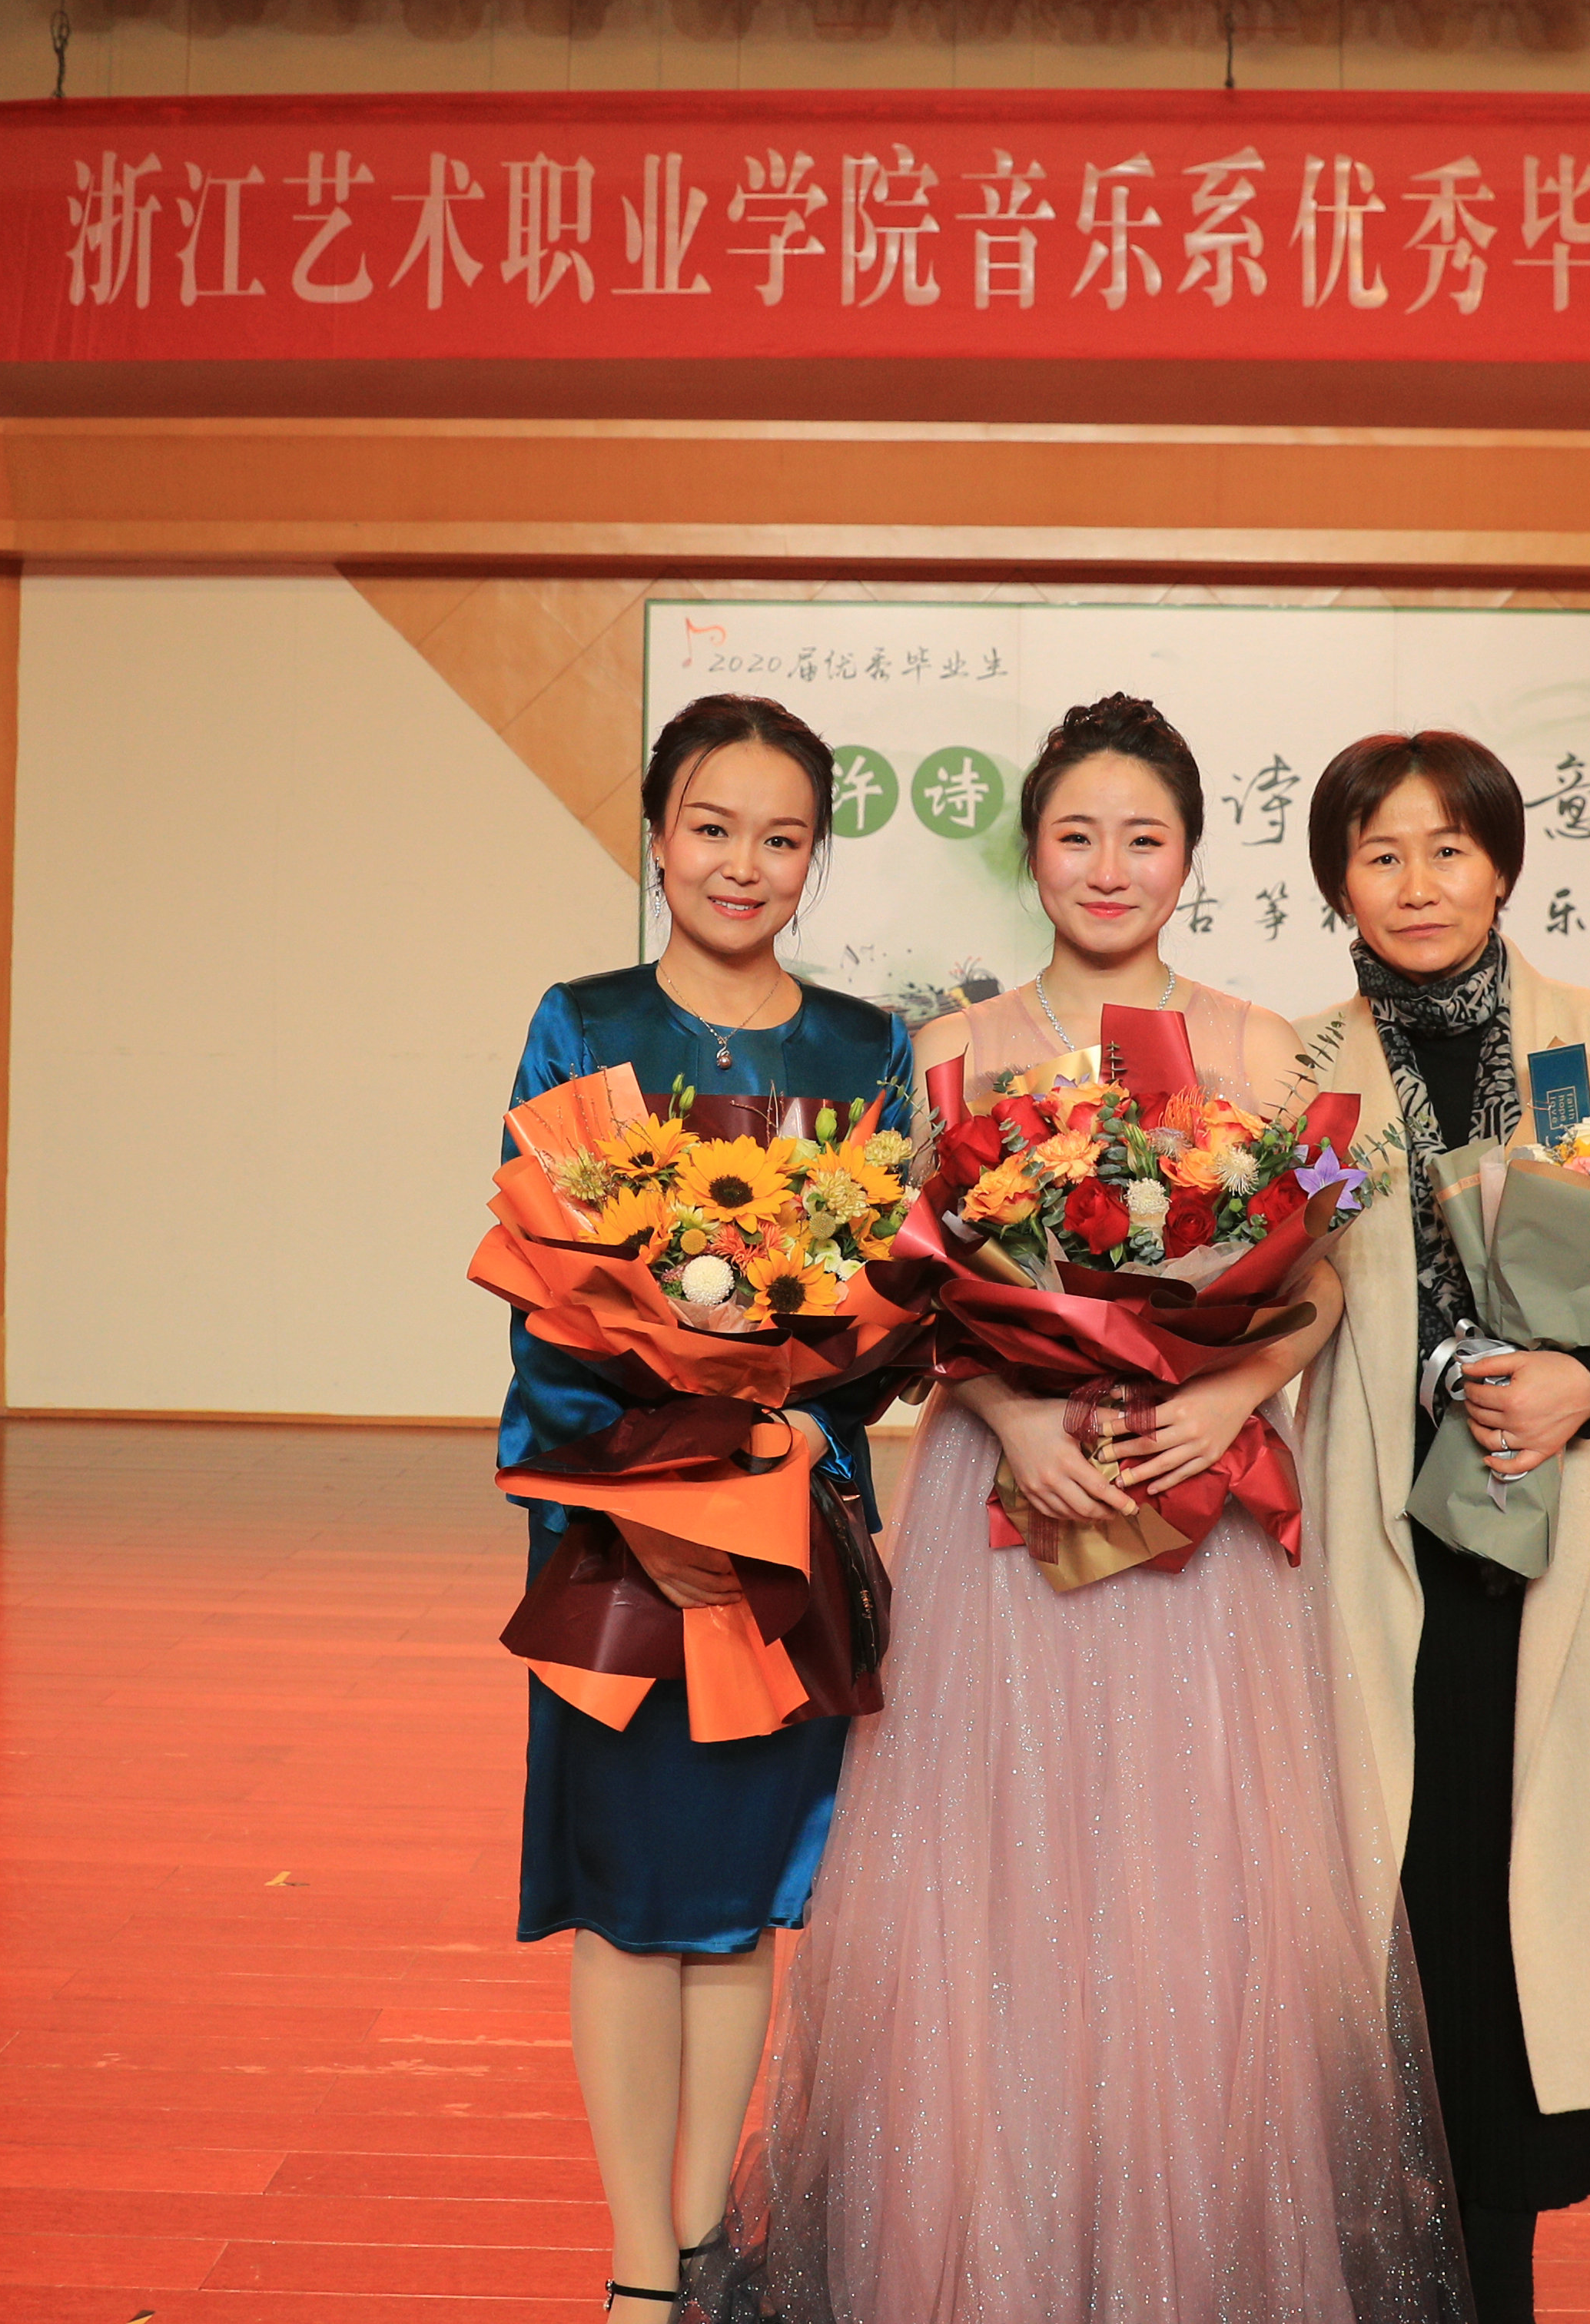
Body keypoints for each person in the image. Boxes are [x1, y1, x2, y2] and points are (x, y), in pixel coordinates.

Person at [695, 695, 1471, 2324]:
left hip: (1201, 1509)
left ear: (1191, 858)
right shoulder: (947, 1052)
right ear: (1031, 852)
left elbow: (1324, 1285)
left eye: (1145, 838)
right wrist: (1009, 1411)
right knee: (991, 1885)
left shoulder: (1263, 1049)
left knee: (1194, 1896)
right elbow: (905, 1287)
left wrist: (1234, 1395)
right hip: (1006, 1504)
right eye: (1077, 836)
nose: (1110, 868)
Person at [1288, 731, 1590, 2324]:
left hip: (1555, 1527)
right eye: (1380, 855)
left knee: (1510, 1921)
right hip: (1380, 1541)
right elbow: (1277, 1286)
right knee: (1398, 1910)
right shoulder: (1302, 1069)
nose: (1417, 885)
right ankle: (1389, 2267)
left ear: (1502, 866)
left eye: (1449, 850)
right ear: (1338, 882)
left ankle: (1494, 2281)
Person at [500, 692, 914, 2318]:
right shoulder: (582, 1024)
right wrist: (645, 1494)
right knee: (625, 1905)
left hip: (784, 1538)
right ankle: (633, 2275)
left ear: (816, 857)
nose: (745, 864)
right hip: (620, 1539)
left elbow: (890, 1308)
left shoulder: (866, 1050)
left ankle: (699, 2241)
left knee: (743, 1905)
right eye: (714, 828)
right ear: (660, 837)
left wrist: (799, 1436)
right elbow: (546, 1299)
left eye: (782, 837)